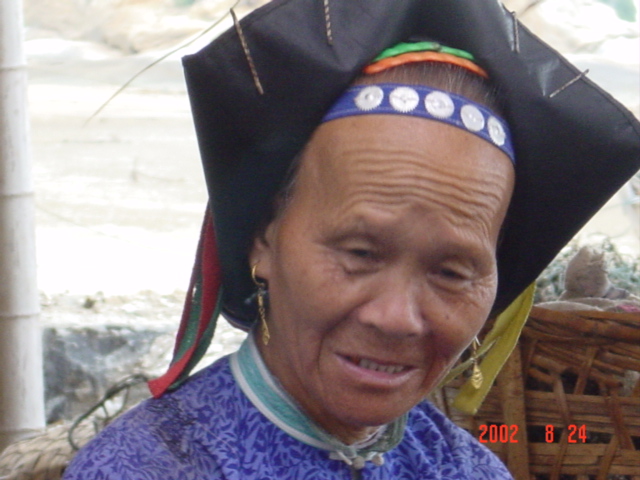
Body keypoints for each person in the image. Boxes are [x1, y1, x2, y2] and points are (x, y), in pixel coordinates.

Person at [63, 0, 640, 478]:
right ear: (264, 241)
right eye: (360, 253)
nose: (397, 317)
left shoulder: (466, 470)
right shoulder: (149, 466)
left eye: (452, 271)